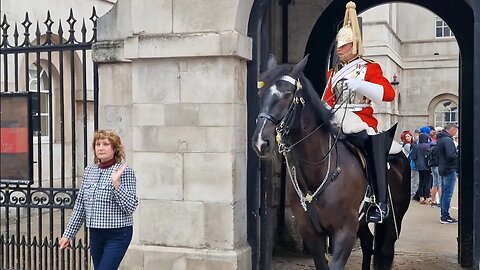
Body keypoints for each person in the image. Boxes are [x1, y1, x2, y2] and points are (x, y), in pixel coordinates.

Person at [322, 1, 396, 223]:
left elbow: (388, 94)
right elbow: (327, 99)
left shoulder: (369, 68)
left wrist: (362, 86)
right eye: (338, 46)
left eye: (343, 46)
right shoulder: (332, 73)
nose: (339, 49)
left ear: (354, 46)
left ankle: (378, 201)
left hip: (360, 117)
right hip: (337, 116)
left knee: (373, 150)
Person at [59, 130, 138, 269]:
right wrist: (68, 234)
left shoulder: (124, 171)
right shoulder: (90, 171)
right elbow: (80, 206)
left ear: (115, 149)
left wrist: (117, 184)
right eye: (98, 144)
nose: (100, 148)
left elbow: (130, 207)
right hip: (96, 233)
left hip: (118, 233)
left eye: (106, 144)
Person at [436, 123, 459, 224]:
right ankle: (445, 216)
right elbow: (451, 155)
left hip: (442, 168)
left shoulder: (441, 139)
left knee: (444, 193)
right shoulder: (448, 140)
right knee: (447, 194)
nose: (456, 133)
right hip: (449, 169)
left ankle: (443, 214)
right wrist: (457, 153)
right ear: (451, 130)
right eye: (455, 131)